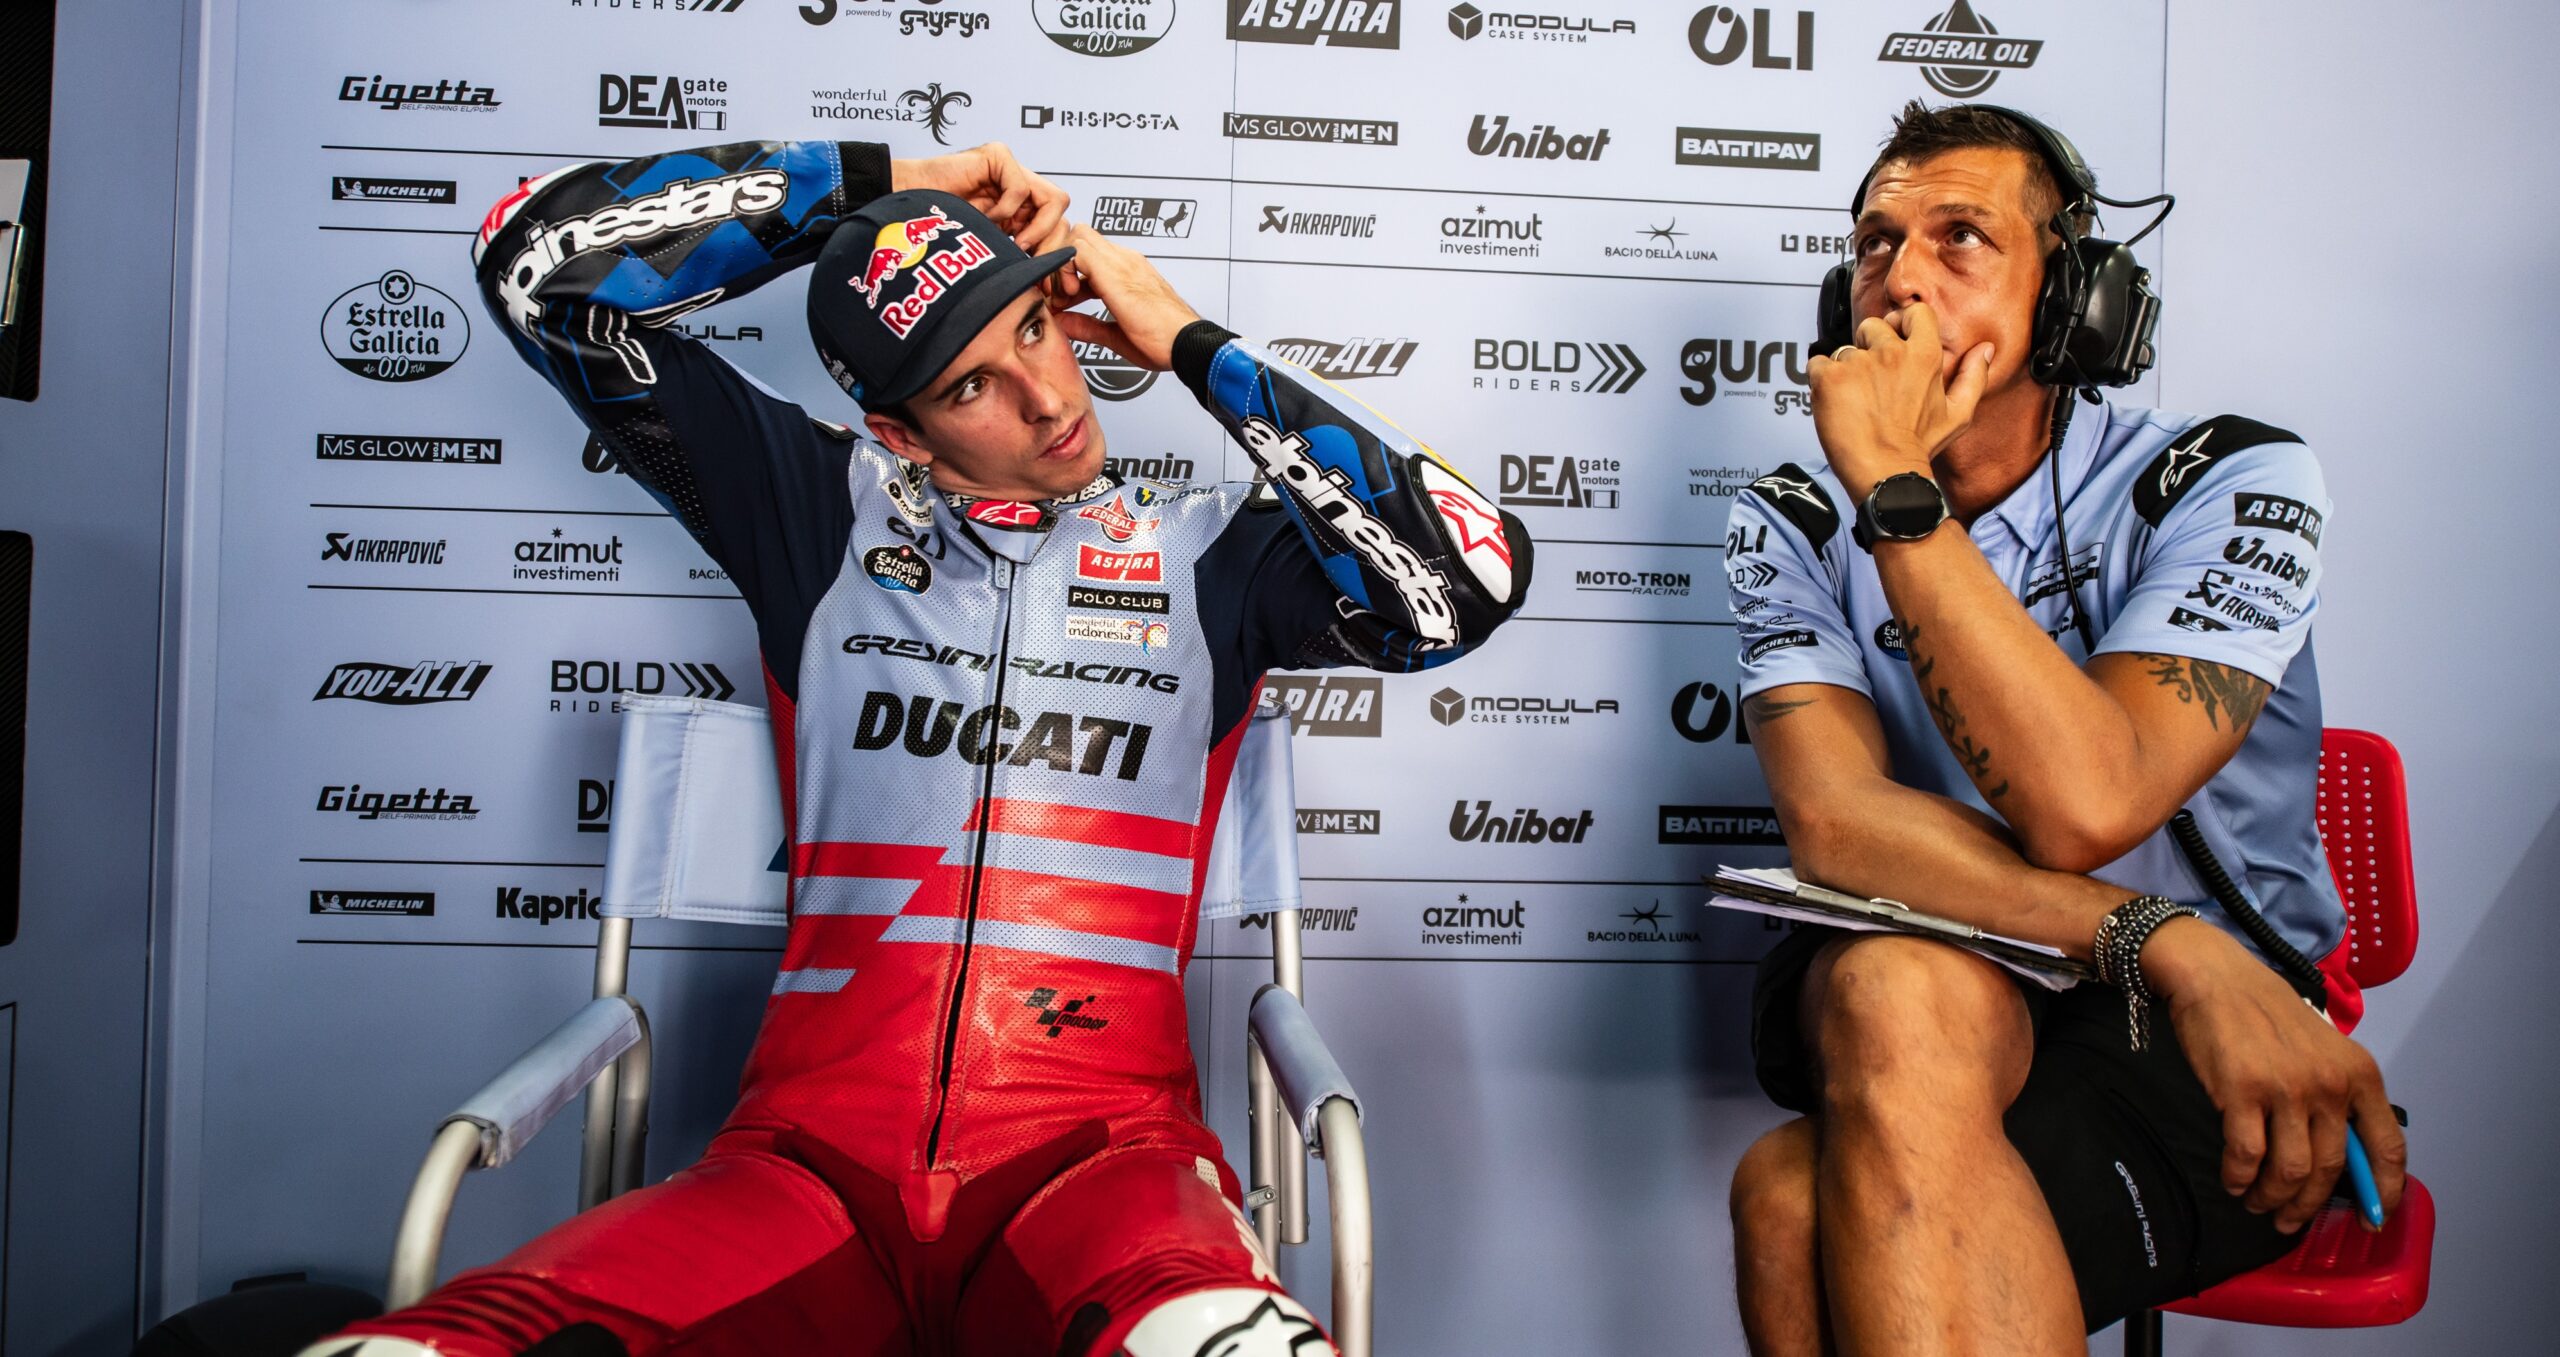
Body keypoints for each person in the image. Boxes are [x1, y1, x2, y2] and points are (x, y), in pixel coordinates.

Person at [306, 137, 1529, 1357]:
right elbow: (535, 269)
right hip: (803, 1177)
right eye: (970, 386)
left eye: (1036, 332)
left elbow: (1466, 580)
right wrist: (856, 188)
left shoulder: (1215, 557)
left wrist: (1193, 345)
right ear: (899, 433)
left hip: (1104, 1175)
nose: (1047, 399)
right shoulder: (808, 510)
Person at [1720, 101, 2407, 1354]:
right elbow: (1836, 825)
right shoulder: (1795, 512)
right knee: (1892, 978)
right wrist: (2163, 940)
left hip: (2214, 1034)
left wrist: (1898, 490)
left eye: (1961, 236)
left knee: (1786, 1203)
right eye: (1874, 244)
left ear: (2077, 300)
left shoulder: (2230, 479)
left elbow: (2087, 803)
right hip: (2002, 979)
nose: (1899, 280)